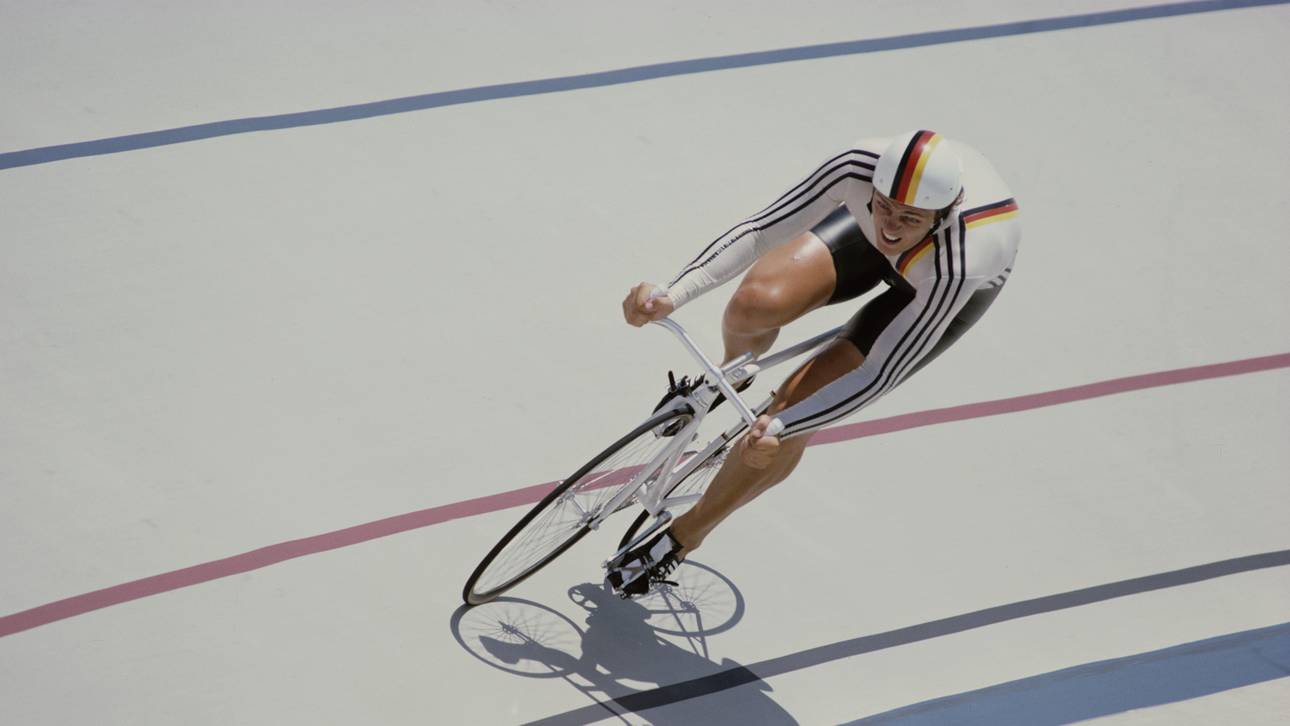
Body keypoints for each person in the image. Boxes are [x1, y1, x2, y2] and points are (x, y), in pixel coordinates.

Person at [610, 130, 1020, 597]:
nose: (891, 226)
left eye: (908, 217)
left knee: (787, 412)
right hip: (876, 239)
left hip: (934, 285)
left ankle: (684, 536)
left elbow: (878, 372)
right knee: (754, 303)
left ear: (942, 214)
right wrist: (672, 293)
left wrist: (784, 427)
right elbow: (761, 230)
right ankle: (732, 374)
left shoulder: (963, 261)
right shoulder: (859, 167)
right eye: (884, 205)